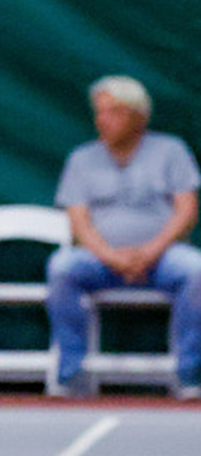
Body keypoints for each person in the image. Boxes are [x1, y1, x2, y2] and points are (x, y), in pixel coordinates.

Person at [45, 76, 200, 399]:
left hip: (162, 257)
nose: (103, 119)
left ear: (139, 116)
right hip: (99, 260)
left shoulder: (171, 150)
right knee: (61, 268)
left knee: (196, 271)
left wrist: (150, 251)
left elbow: (186, 211)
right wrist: (111, 256)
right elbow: (78, 222)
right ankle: (72, 374)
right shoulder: (81, 159)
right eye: (100, 112)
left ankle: (190, 376)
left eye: (114, 112)